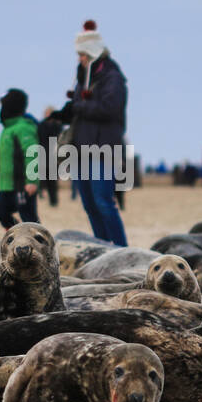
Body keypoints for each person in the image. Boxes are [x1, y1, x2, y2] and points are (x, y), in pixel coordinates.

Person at [54, 19, 128, 246]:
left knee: (103, 201)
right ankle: (103, 246)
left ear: (93, 53)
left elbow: (111, 108)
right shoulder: (82, 79)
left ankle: (120, 248)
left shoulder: (113, 78)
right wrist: (65, 113)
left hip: (103, 148)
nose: (80, 59)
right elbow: (81, 108)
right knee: (89, 203)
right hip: (81, 147)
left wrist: (79, 106)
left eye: (83, 55)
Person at [0, 88, 40, 229]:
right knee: (1, 211)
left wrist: (32, 180)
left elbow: (33, 153)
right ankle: (18, 236)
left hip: (22, 183)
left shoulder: (23, 128)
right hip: (7, 184)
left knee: (29, 218)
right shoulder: (7, 129)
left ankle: (41, 244)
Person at [36, 105, 63, 207]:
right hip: (42, 154)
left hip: (53, 156)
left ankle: (53, 201)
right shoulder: (41, 125)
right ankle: (41, 195)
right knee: (42, 178)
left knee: (52, 180)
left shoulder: (57, 125)